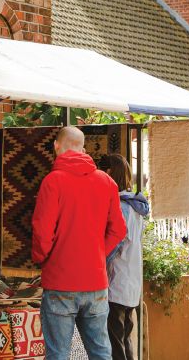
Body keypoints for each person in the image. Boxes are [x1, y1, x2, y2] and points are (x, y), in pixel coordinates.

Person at [32, 127, 128, 360]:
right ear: (83, 150)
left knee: (58, 354)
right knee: (101, 352)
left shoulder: (53, 180)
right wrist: (97, 255)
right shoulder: (106, 181)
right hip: (95, 282)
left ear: (56, 146)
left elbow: (42, 231)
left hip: (60, 281)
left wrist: (41, 257)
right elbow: (119, 229)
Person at [100, 154, 148, 360]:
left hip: (117, 281)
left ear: (109, 173)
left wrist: (98, 263)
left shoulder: (121, 205)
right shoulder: (136, 205)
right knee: (125, 338)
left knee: (115, 341)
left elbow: (115, 240)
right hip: (131, 282)